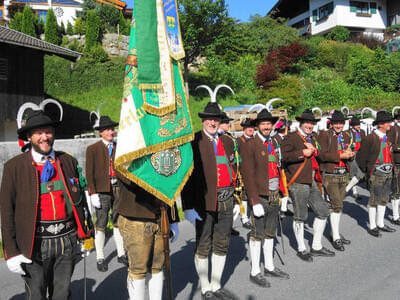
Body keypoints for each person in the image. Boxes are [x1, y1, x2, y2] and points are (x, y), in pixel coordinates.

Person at [0, 105, 93, 299]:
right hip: (33, 243)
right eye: (38, 133)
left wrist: (85, 234)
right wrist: (11, 251)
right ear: (29, 137)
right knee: (36, 294)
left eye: (48, 131)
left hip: (66, 240)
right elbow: (7, 211)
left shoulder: (68, 162)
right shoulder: (14, 167)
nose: (45, 137)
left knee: (62, 293)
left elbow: (79, 201)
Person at [182, 102, 239, 300]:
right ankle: (205, 286)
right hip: (203, 202)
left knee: (222, 243)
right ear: (203, 120)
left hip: (226, 200)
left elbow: (235, 171)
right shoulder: (193, 141)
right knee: (203, 244)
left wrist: (238, 200)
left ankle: (215, 284)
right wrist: (187, 207)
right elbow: (186, 177)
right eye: (209, 119)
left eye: (216, 119)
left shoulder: (228, 142)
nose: (212, 122)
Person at [240, 109, 289, 288]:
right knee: (257, 234)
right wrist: (254, 200)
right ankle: (255, 271)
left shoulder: (274, 142)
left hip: (274, 193)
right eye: (263, 124)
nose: (267, 126)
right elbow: (247, 174)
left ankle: (269, 266)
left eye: (269, 124)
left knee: (270, 233)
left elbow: (278, 167)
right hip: (260, 195)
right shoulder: (250, 144)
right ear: (258, 126)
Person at [115, 170, 179, 300]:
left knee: (157, 267)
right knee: (138, 270)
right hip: (136, 215)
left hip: (161, 215)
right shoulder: (123, 148)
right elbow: (128, 177)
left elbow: (169, 181)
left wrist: (173, 218)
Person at [281, 109, 334, 262]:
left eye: (312, 123)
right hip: (297, 182)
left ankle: (316, 246)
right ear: (301, 123)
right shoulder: (290, 137)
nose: (310, 125)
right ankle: (301, 248)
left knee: (323, 211)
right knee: (300, 216)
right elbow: (284, 156)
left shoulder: (313, 137)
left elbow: (320, 154)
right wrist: (302, 152)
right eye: (307, 123)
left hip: (311, 181)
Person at [86, 115, 127, 272]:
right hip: (102, 191)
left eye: (112, 129)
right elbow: (89, 173)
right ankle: (100, 257)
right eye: (108, 130)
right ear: (101, 132)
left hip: (118, 189)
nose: (112, 132)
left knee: (117, 221)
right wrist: (92, 192)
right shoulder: (93, 149)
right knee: (101, 223)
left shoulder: (119, 147)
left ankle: (121, 253)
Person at [318, 110, 354, 251]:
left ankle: (335, 232)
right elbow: (321, 155)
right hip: (330, 174)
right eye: (336, 123)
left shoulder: (346, 135)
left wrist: (350, 155)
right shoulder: (324, 135)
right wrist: (340, 156)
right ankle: (336, 237)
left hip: (343, 173)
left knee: (339, 205)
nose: (338, 125)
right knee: (336, 205)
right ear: (331, 124)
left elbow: (349, 152)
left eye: (340, 123)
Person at [357, 111, 396, 237]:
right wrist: (368, 171)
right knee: (374, 199)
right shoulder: (370, 138)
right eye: (387, 122)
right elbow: (361, 157)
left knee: (384, 199)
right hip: (376, 172)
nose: (390, 124)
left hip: (388, 171)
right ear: (380, 124)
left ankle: (380, 224)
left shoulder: (388, 136)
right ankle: (372, 226)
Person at [218, 112, 240, 236]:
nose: (227, 124)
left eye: (228, 122)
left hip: (234, 172)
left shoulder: (228, 136)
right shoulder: (222, 138)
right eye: (225, 122)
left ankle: (228, 225)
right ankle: (225, 226)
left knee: (235, 204)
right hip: (227, 173)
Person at [236, 118, 256, 229]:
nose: (250, 129)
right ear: (244, 128)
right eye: (248, 127)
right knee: (244, 197)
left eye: (252, 127)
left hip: (256, 173)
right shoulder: (238, 141)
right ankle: (244, 218)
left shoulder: (257, 140)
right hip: (243, 173)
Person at [345, 116, 366, 199]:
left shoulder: (363, 132)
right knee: (354, 173)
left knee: (358, 173)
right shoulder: (347, 133)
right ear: (352, 125)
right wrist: (349, 145)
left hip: (360, 154)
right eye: (357, 124)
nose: (359, 126)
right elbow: (344, 143)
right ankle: (354, 191)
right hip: (352, 154)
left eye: (359, 124)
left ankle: (349, 190)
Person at [388, 111, 400, 225]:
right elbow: (389, 144)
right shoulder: (394, 129)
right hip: (397, 162)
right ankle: (395, 216)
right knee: (396, 189)